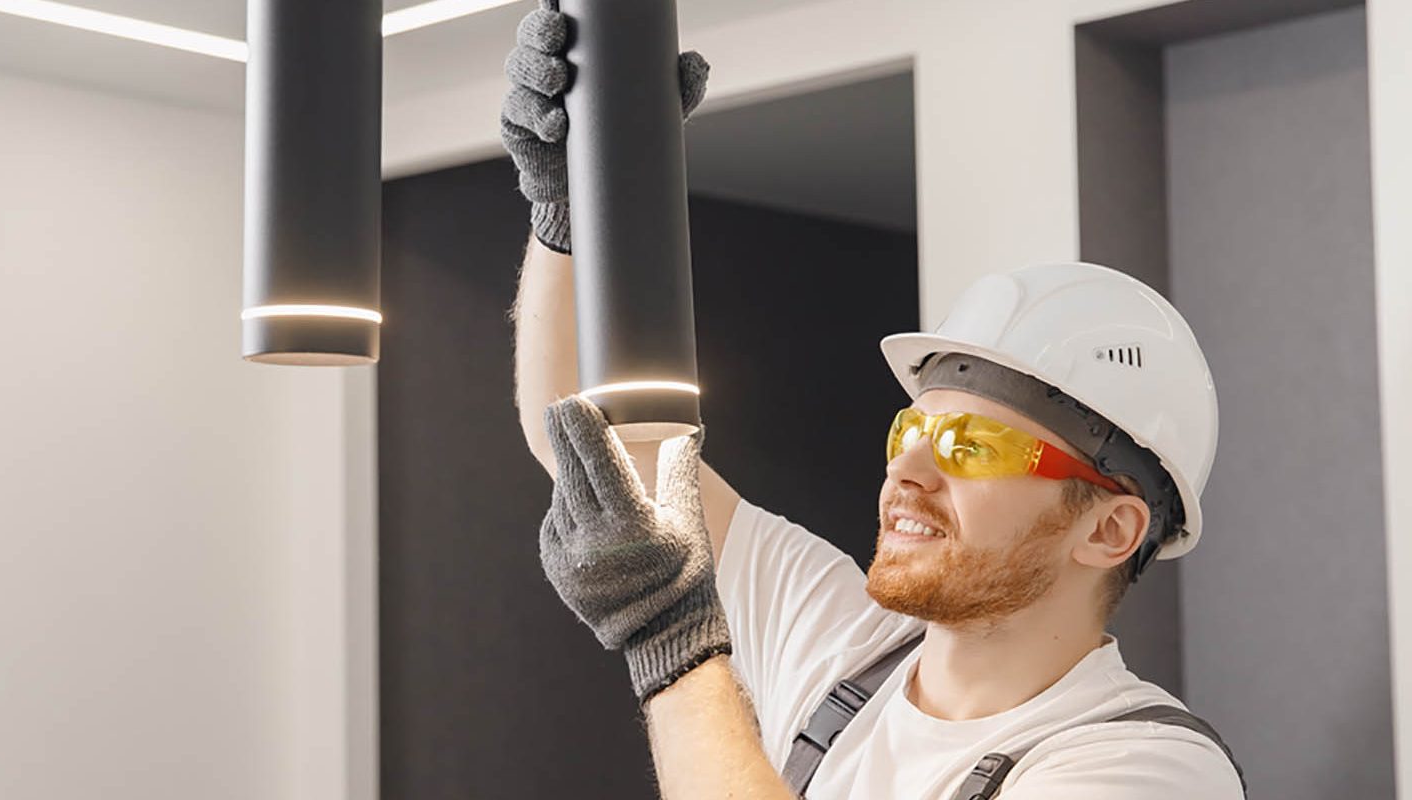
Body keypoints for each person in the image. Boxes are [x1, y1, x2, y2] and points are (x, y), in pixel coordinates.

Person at [502, 4, 1244, 797]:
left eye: (971, 446)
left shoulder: (1144, 769)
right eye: (909, 432)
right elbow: (595, 442)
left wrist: (673, 645)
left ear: (1109, 528)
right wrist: (571, 215)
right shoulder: (841, 648)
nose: (909, 471)